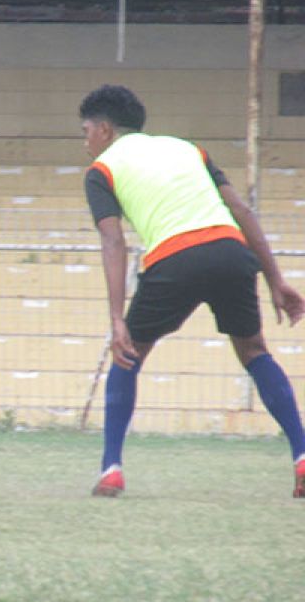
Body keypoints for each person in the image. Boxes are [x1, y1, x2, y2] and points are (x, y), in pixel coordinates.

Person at [79, 84, 305, 498]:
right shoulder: (188, 149)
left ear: (105, 130)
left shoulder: (101, 171)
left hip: (175, 257)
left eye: (87, 131)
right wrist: (276, 279)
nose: (87, 141)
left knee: (127, 357)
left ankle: (111, 468)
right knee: (254, 350)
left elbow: (114, 242)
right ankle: (303, 456)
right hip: (230, 251)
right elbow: (241, 210)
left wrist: (116, 319)